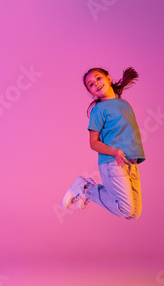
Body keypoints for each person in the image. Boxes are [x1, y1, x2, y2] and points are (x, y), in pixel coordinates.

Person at [62, 67, 145, 220]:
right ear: (91, 92)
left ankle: (90, 188)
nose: (96, 84)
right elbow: (93, 143)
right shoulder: (98, 110)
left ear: (108, 78)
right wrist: (114, 152)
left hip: (131, 162)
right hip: (113, 162)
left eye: (98, 78)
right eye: (91, 84)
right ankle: (86, 189)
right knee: (125, 209)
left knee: (134, 213)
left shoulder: (124, 104)